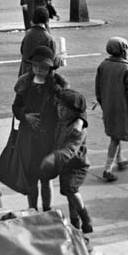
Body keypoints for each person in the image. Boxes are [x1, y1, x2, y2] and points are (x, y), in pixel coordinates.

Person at [12, 46, 68, 211]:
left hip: (47, 139)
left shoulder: (56, 86)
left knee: (45, 178)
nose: (38, 70)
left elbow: (64, 110)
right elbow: (16, 107)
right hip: (28, 139)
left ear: (50, 68)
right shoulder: (25, 83)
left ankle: (47, 208)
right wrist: (25, 116)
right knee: (31, 179)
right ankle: (32, 209)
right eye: (35, 66)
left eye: (43, 67)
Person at [39, 88, 93, 233]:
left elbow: (70, 150)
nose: (61, 111)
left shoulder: (77, 130)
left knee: (71, 190)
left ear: (75, 113)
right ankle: (76, 223)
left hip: (77, 165)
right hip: (65, 165)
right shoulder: (62, 121)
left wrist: (53, 157)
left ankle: (86, 219)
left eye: (65, 109)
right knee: (68, 193)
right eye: (59, 107)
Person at [95, 37, 128, 182]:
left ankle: (120, 159)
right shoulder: (126, 68)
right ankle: (108, 168)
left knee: (115, 133)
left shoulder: (103, 65)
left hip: (109, 106)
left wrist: (103, 103)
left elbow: (98, 89)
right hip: (123, 108)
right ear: (123, 51)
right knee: (116, 137)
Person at [19, 7, 57, 77]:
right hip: (40, 75)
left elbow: (22, 51)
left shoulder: (28, 34)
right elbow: (52, 60)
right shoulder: (48, 38)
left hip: (25, 73)